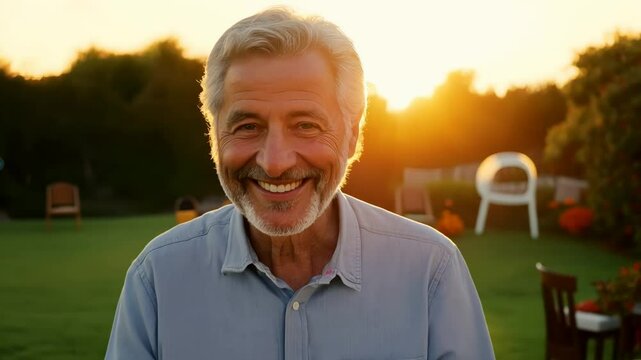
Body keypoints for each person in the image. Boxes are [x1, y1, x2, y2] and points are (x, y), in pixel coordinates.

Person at [106, 7, 494, 360]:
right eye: (247, 126)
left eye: (305, 125)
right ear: (214, 137)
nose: (275, 163)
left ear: (352, 134)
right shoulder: (158, 278)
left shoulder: (430, 271)